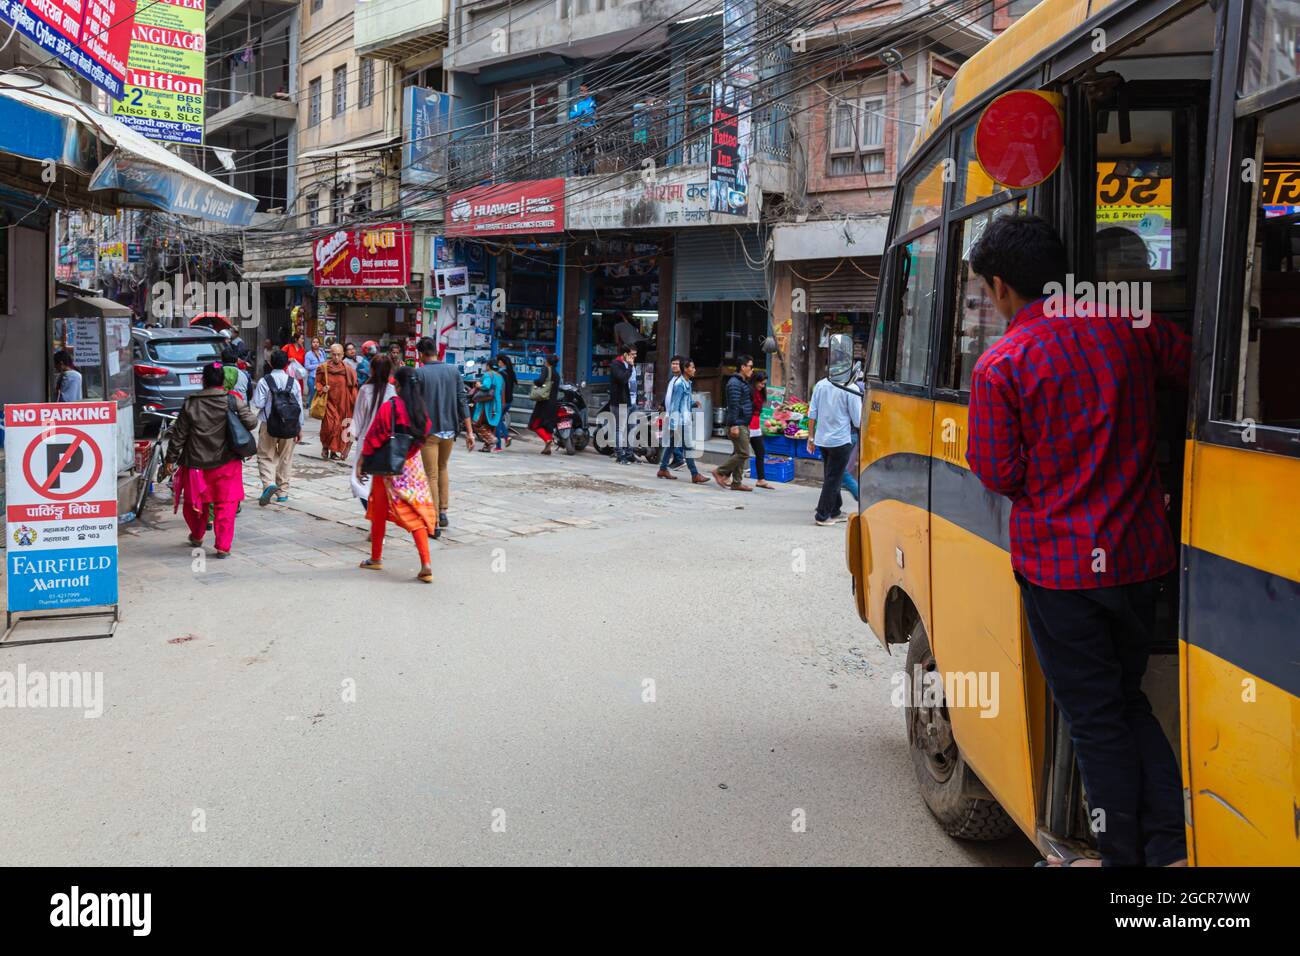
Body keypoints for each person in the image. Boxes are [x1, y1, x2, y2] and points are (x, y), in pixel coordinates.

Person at [963, 214, 1190, 868]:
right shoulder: (1130, 326)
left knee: (1095, 718)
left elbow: (1000, 473)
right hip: (1139, 558)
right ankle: (1170, 846)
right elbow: (1190, 369)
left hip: (1061, 572)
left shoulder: (1002, 364)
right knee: (1124, 699)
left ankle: (1121, 858)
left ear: (1002, 286)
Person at [162, 362, 258, 558]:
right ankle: (223, 547)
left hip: (196, 464)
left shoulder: (191, 403)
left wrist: (170, 459)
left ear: (203, 380)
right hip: (227, 462)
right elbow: (251, 422)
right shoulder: (232, 400)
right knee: (226, 504)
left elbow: (179, 435)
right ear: (222, 380)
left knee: (196, 503)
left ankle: (197, 536)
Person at [358, 365, 436, 583]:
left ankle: (376, 557)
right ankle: (425, 563)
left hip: (388, 467)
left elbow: (374, 435)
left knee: (380, 512)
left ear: (398, 386)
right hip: (412, 466)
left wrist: (363, 460)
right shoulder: (420, 410)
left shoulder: (390, 407)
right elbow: (424, 433)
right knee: (411, 512)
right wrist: (409, 452)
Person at [414, 336, 472, 528]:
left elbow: (413, 404)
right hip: (450, 429)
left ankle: (434, 518)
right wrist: (470, 433)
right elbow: (462, 400)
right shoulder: (453, 370)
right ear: (437, 351)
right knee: (442, 468)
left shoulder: (420, 373)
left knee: (431, 473)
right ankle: (443, 511)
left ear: (421, 354)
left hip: (429, 431)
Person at [808, 366, 862, 525]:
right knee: (833, 478)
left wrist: (810, 437)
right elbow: (857, 420)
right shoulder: (851, 389)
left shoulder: (821, 384)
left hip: (822, 439)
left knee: (832, 475)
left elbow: (812, 412)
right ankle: (822, 515)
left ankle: (835, 510)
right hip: (840, 440)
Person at [251, 348, 304, 505]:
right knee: (285, 458)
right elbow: (299, 406)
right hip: (290, 425)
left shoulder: (264, 381)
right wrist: (299, 428)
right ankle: (282, 492)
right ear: (287, 364)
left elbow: (258, 403)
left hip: (268, 425)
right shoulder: (293, 382)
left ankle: (269, 484)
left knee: (265, 456)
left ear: (270, 363)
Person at [347, 354, 395, 512]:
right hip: (387, 443)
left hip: (366, 442)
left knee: (359, 481)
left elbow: (358, 419)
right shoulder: (393, 391)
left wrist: (348, 440)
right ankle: (377, 516)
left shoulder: (365, 390)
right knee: (379, 483)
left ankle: (373, 515)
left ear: (372, 370)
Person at [657, 357, 710, 484]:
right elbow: (675, 405)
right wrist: (674, 424)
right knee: (689, 447)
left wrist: (693, 403)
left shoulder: (687, 383)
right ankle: (695, 474)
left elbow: (683, 403)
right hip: (681, 421)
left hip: (684, 419)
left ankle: (663, 469)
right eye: (692, 367)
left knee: (671, 445)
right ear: (685, 369)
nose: (694, 369)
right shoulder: (680, 384)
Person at [712, 355, 754, 492]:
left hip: (743, 422)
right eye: (750, 366)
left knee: (738, 452)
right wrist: (734, 424)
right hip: (738, 423)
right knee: (743, 453)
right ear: (742, 367)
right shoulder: (734, 383)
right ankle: (720, 471)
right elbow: (734, 405)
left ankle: (737, 482)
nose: (752, 370)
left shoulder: (742, 382)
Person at [316, 342, 359, 461]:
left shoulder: (348, 370)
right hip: (328, 402)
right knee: (328, 426)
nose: (336, 357)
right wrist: (322, 389)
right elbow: (318, 382)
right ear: (330, 354)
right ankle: (325, 446)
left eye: (339, 355)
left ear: (343, 355)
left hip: (342, 403)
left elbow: (353, 387)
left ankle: (334, 451)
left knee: (340, 427)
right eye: (333, 354)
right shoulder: (323, 368)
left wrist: (354, 402)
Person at [609, 344, 637, 464]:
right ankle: (620, 455)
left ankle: (630, 453)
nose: (634, 357)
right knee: (620, 429)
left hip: (632, 401)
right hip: (620, 401)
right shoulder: (616, 364)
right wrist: (630, 367)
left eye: (635, 354)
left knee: (632, 428)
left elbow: (634, 382)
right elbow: (622, 379)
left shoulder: (631, 365)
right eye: (632, 354)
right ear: (625, 354)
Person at [528, 353, 561, 454]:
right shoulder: (557, 374)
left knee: (534, 424)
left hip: (544, 402)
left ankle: (547, 440)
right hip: (553, 403)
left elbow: (541, 381)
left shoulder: (546, 369)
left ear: (547, 362)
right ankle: (548, 449)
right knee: (548, 426)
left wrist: (535, 382)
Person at [470, 363, 505, 451]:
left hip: (487, 403)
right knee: (489, 425)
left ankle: (491, 439)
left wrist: (478, 385)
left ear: (488, 366)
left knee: (477, 423)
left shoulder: (487, 374)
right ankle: (487, 447)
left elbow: (486, 386)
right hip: (497, 403)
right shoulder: (500, 376)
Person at [750, 369, 774, 489]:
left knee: (760, 451)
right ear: (755, 381)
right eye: (760, 383)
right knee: (740, 453)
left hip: (756, 426)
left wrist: (764, 421)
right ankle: (724, 473)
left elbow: (758, 411)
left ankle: (761, 479)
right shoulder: (749, 391)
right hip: (747, 424)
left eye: (764, 384)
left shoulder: (761, 392)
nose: (762, 386)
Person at [495, 354, 517, 449]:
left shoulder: (500, 374)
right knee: (499, 421)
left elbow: (500, 389)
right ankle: (507, 437)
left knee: (497, 422)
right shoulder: (511, 373)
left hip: (502, 401)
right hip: (509, 401)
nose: (497, 363)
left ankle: (498, 445)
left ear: (501, 362)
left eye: (498, 361)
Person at [304, 337, 326, 401]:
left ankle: (317, 408)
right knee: (312, 394)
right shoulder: (308, 354)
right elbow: (307, 366)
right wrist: (318, 365)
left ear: (319, 343)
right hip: (312, 378)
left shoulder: (322, 353)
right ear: (311, 344)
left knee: (320, 394)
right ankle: (310, 407)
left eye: (317, 342)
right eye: (314, 342)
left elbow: (325, 362)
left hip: (321, 377)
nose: (315, 344)